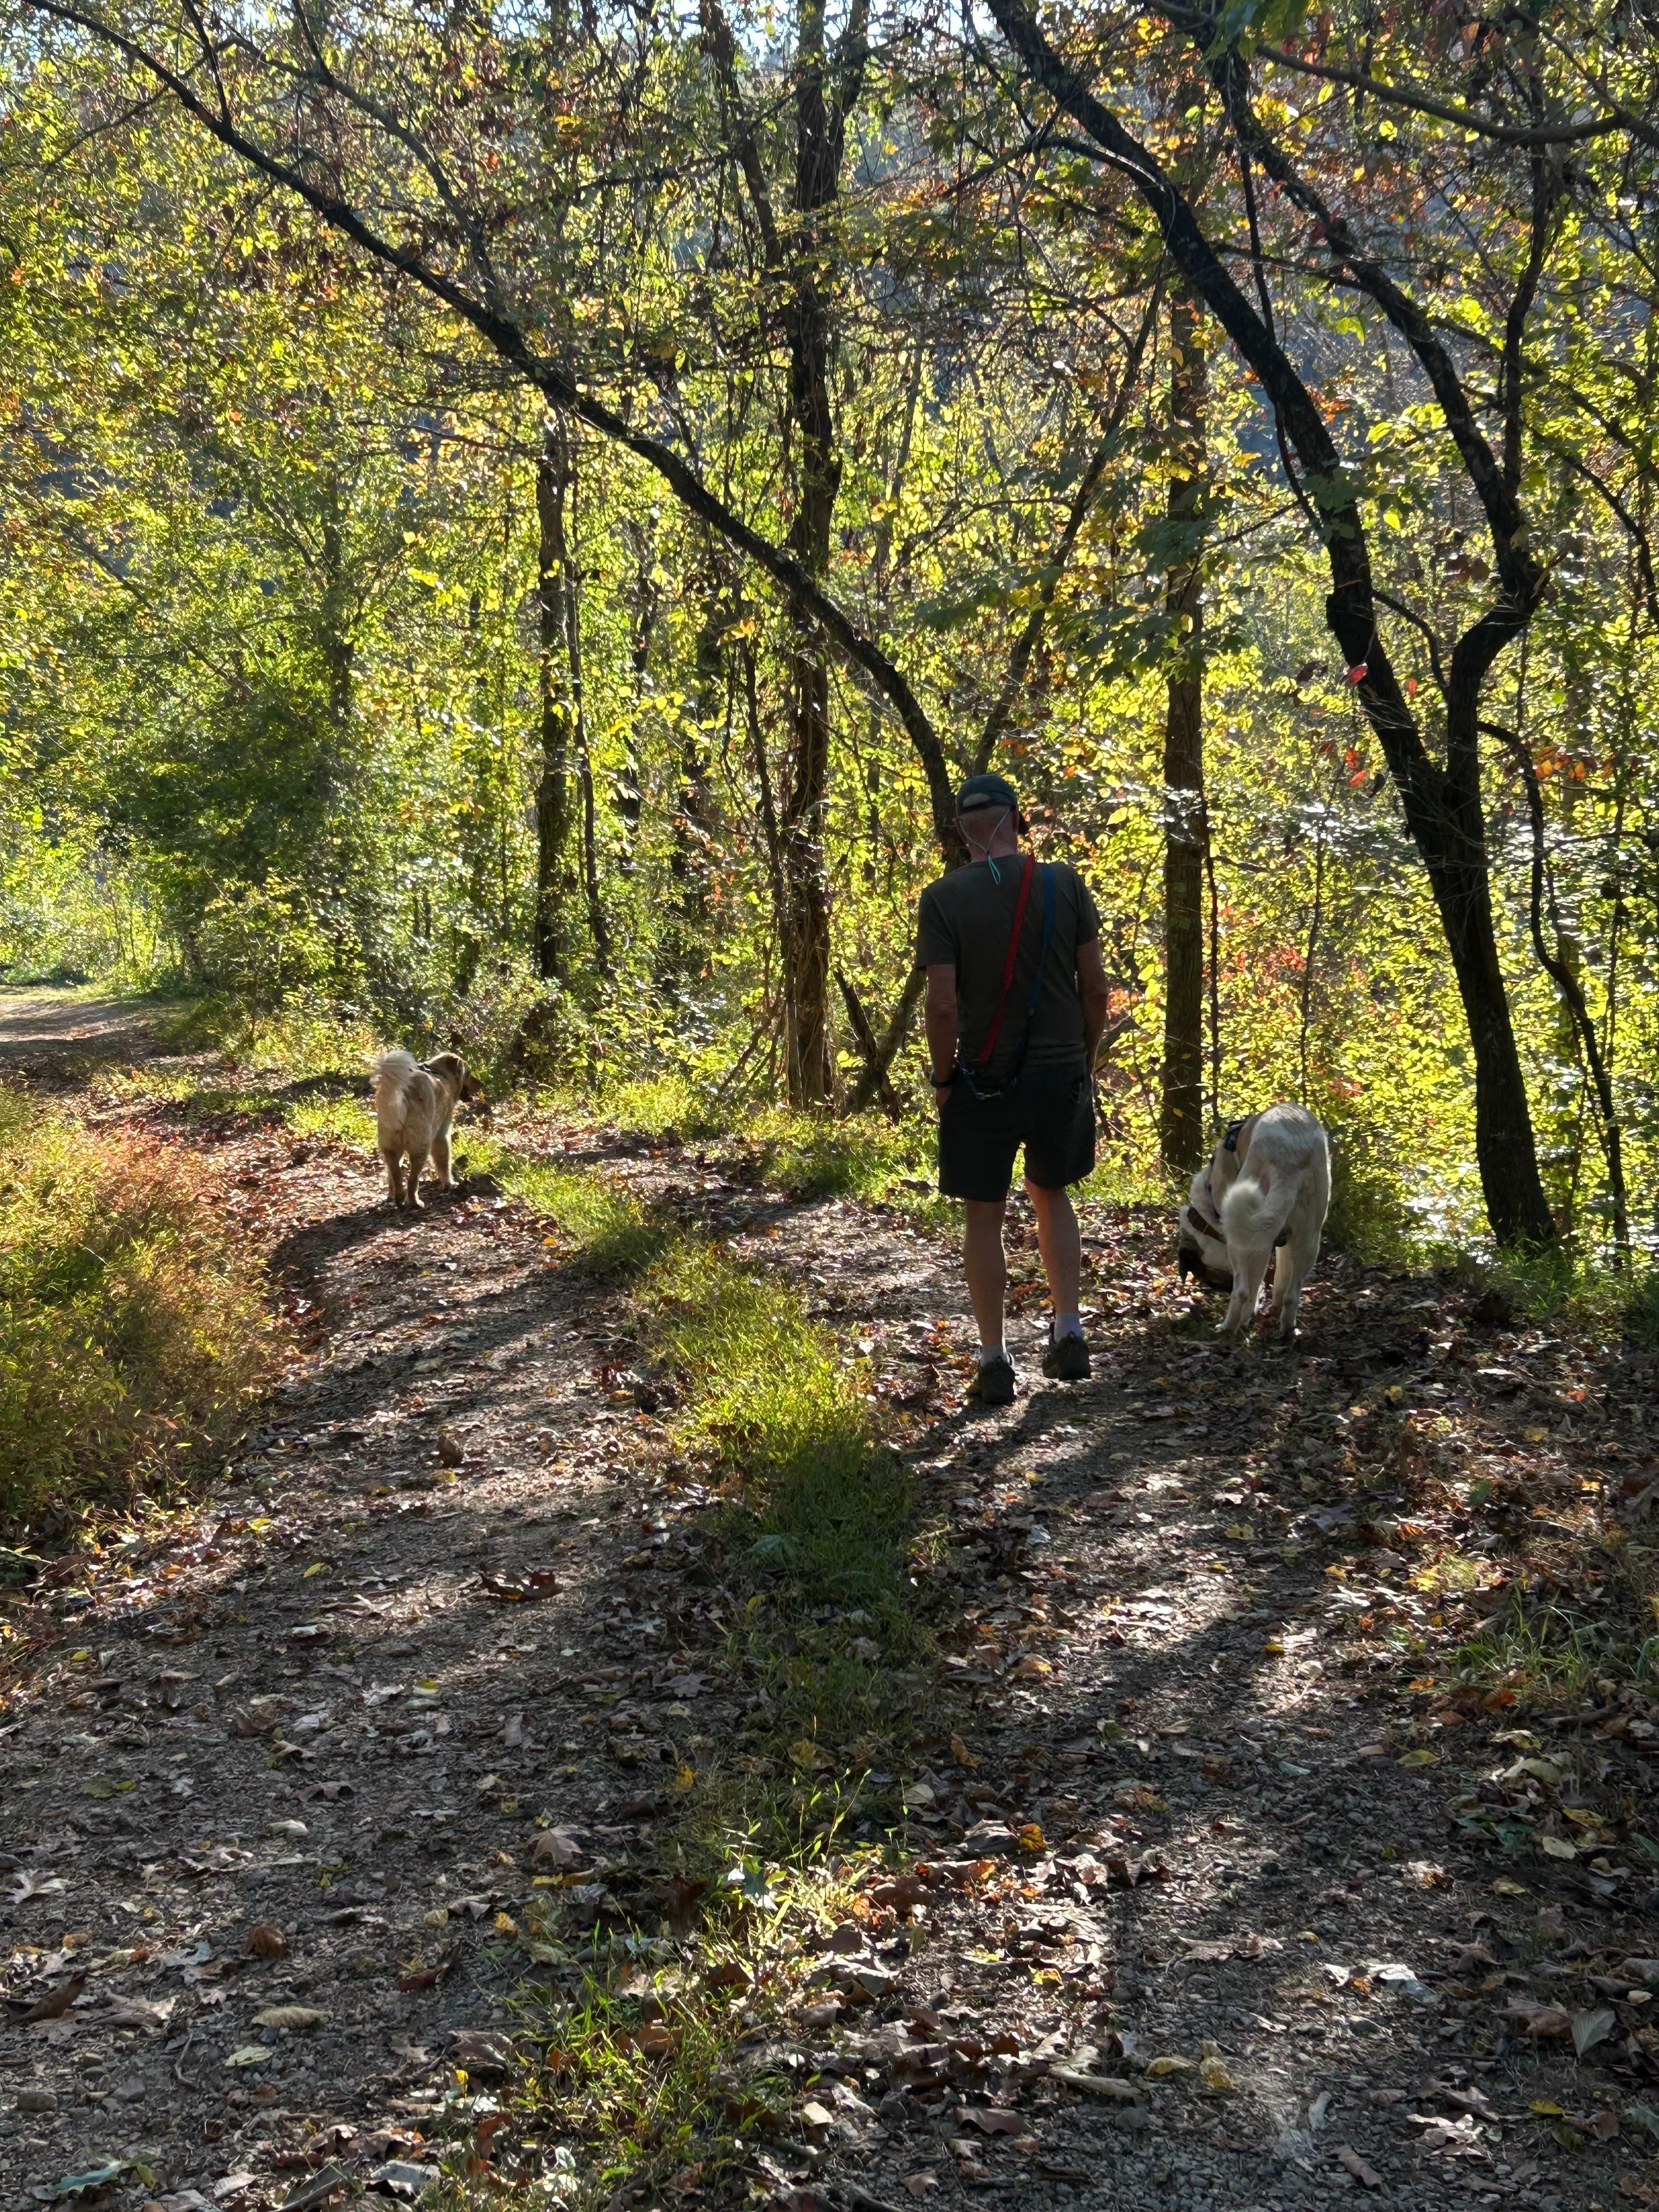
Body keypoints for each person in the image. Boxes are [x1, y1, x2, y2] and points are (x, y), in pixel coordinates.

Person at [918, 773, 1109, 1405]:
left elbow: (942, 1006)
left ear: (961, 832)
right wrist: (1083, 1058)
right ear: (1017, 820)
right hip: (1058, 1072)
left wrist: (945, 1078)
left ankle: (995, 1359)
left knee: (985, 1212)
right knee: (1051, 1194)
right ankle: (1070, 1331)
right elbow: (1096, 989)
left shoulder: (943, 899)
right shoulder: (1065, 883)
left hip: (983, 1080)